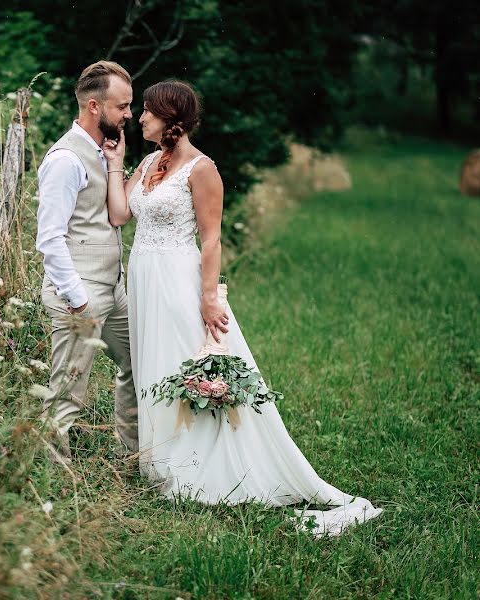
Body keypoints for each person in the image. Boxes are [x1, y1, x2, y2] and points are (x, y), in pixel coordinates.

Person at [102, 80, 382, 536]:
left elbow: (211, 238)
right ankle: (164, 462)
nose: (140, 118)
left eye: (148, 111)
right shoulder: (149, 162)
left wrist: (209, 297)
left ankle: (198, 469)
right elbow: (119, 215)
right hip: (145, 280)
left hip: (177, 279)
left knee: (184, 365)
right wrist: (116, 165)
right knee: (153, 366)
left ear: (171, 118)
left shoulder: (201, 168)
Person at [35, 61, 138, 462]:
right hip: (80, 294)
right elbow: (49, 238)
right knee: (67, 391)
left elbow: (111, 217)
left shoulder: (104, 151)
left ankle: (132, 454)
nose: (129, 114)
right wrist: (77, 299)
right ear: (94, 107)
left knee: (137, 361)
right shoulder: (65, 159)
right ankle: (49, 479)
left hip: (112, 289)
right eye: (122, 106)